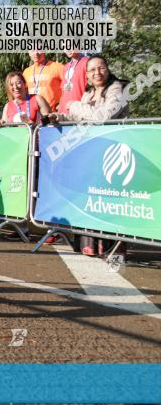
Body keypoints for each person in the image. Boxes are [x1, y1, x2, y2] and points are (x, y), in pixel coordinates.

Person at [48, 55, 130, 258]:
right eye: (92, 70)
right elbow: (78, 116)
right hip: (90, 151)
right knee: (90, 196)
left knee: (109, 198)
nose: (97, 73)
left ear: (108, 69)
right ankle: (90, 244)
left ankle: (113, 246)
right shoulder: (88, 94)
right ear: (87, 75)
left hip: (112, 150)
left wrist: (74, 106)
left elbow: (103, 116)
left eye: (101, 68)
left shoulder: (117, 89)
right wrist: (59, 116)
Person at [58, 51, 89, 115]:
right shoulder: (66, 66)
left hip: (79, 109)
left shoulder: (87, 62)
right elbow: (63, 91)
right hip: (64, 111)